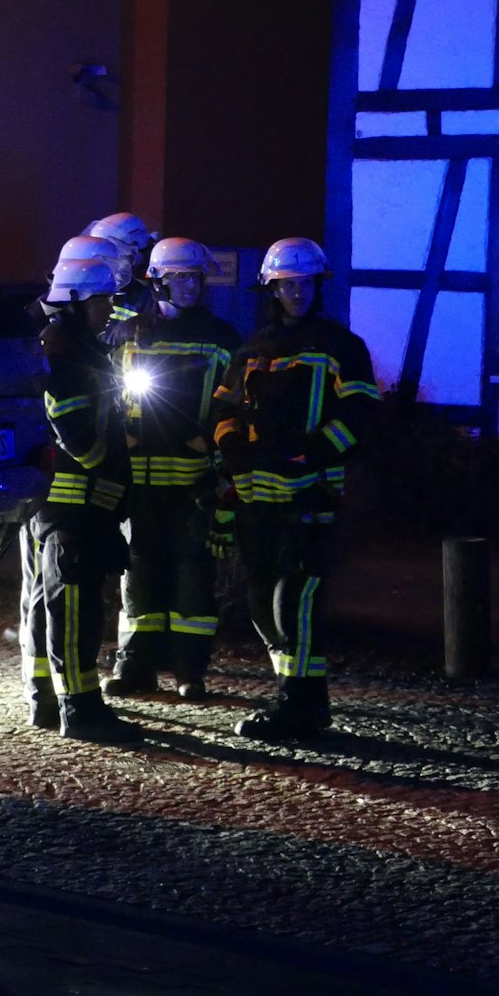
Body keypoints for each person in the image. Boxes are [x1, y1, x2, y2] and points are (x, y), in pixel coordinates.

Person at [211, 237, 380, 740]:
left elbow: (360, 415)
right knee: (264, 600)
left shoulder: (342, 347)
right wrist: (233, 447)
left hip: (310, 495)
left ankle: (302, 703)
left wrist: (317, 452)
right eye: (288, 284)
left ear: (317, 286)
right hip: (257, 497)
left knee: (297, 600)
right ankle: (297, 695)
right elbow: (223, 409)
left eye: (305, 283)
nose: (297, 293)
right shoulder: (251, 349)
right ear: (272, 288)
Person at [102, 237, 240, 700]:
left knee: (192, 576)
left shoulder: (222, 338)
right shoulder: (130, 333)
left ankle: (189, 672)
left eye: (195, 278)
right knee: (138, 576)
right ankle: (135, 666)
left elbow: (232, 405)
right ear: (158, 280)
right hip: (140, 479)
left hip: (193, 480)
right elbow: (111, 396)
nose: (188, 286)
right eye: (179, 276)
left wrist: (217, 455)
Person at [19, 253, 141, 743]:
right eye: (101, 300)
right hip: (71, 510)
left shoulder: (80, 352)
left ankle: (49, 700)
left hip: (77, 509)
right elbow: (83, 444)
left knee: (64, 606)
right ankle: (81, 710)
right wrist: (113, 453)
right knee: (73, 611)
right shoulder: (68, 361)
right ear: (72, 302)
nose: (110, 309)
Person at [85, 211, 160, 331]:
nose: (105, 265)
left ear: (137, 252)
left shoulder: (153, 293)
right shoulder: (97, 291)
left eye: (112, 256)